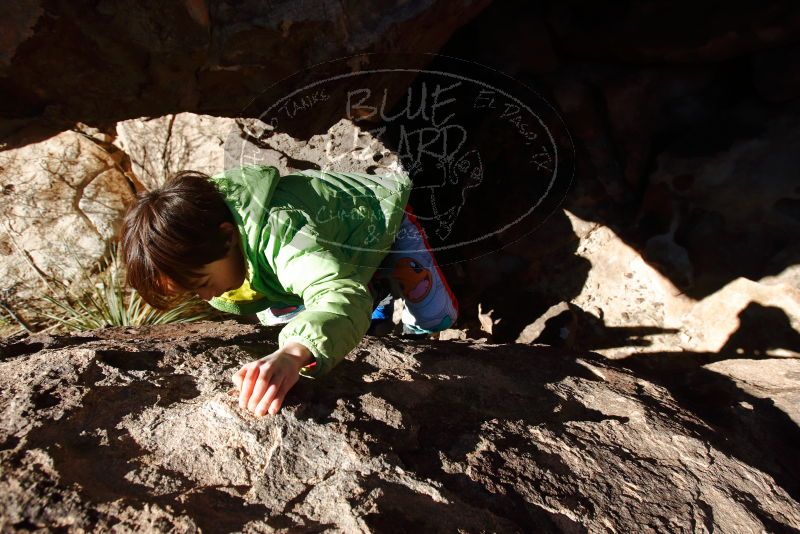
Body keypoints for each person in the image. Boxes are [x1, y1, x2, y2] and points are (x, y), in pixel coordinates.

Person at [120, 164, 458, 417]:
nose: (206, 298)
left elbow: (335, 289)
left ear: (227, 236)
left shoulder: (285, 235)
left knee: (435, 314)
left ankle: (387, 283)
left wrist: (292, 354)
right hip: (329, 255)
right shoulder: (214, 235)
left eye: (203, 285)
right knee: (283, 315)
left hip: (382, 224)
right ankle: (376, 290)